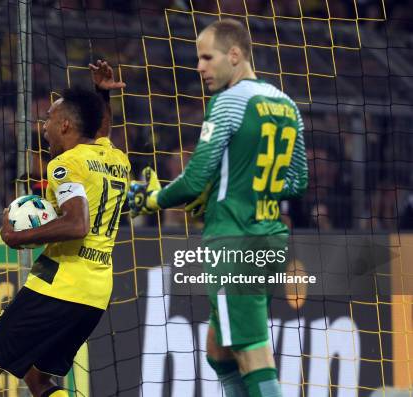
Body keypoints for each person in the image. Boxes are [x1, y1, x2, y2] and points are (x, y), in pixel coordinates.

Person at [128, 19, 308, 397]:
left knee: (252, 354)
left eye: (207, 57)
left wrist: (153, 199)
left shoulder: (226, 103)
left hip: (234, 240)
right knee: (219, 351)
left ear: (235, 55)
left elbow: (194, 180)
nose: (200, 67)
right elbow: (297, 182)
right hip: (269, 238)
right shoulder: (287, 104)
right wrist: (239, 187)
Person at [0, 83, 130, 397]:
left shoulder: (65, 165)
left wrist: (18, 236)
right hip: (96, 291)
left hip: (59, 282)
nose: (44, 128)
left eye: (48, 120)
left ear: (65, 124)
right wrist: (102, 95)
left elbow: (77, 223)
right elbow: (101, 129)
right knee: (37, 378)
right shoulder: (116, 158)